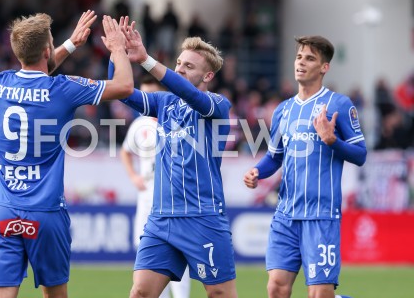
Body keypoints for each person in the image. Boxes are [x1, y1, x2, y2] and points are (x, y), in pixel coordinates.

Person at [0, 10, 133, 298]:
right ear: (48, 48)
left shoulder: (3, 83)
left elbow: (37, 69)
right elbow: (124, 86)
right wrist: (118, 49)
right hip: (45, 212)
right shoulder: (63, 88)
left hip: (2, 208)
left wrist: (71, 43)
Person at [111, 17, 238, 298]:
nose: (179, 69)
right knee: (140, 293)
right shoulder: (165, 103)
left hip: (202, 218)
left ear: (208, 77)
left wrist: (145, 60)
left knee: (220, 294)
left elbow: (189, 94)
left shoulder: (217, 105)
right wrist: (117, 52)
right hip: (161, 220)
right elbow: (121, 90)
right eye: (179, 63)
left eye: (188, 66)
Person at [243, 35, 367, 298]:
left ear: (324, 67)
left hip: (321, 215)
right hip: (286, 214)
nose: (301, 62)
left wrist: (332, 141)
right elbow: (274, 157)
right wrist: (258, 172)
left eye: (310, 58)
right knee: (276, 287)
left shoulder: (339, 105)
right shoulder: (283, 110)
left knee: (319, 294)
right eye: (299, 57)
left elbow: (360, 154)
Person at [120, 74, 191, 298]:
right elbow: (125, 151)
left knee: (179, 252)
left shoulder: (177, 120)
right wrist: (133, 176)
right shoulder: (139, 125)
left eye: (151, 95)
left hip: (174, 199)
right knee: (147, 254)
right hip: (148, 197)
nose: (146, 101)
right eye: (143, 95)